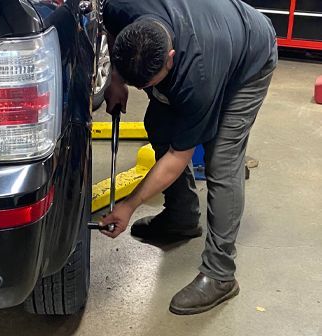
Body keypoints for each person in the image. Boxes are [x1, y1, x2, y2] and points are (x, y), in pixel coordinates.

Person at [99, 0, 277, 315]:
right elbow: (111, 32)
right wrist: (116, 78)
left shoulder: (198, 76)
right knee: (156, 122)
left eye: (148, 84)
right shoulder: (121, 6)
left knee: (221, 160)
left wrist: (129, 205)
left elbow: (176, 159)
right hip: (205, 32)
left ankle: (221, 275)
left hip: (250, 56)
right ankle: (181, 218)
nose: (142, 90)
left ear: (170, 58)